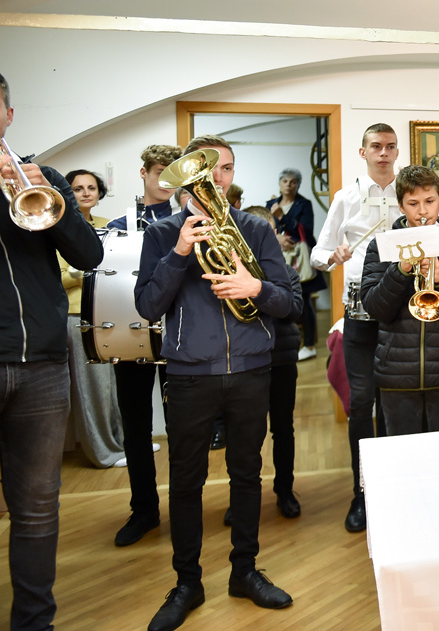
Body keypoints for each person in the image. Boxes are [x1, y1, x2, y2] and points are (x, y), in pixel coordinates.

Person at [135, 134, 295, 631]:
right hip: (189, 373)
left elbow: (289, 302)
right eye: (207, 170)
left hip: (250, 369)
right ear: (185, 179)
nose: (217, 179)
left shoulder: (255, 229)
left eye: (225, 168)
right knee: (186, 481)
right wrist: (180, 251)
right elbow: (147, 306)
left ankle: (244, 571)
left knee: (248, 474)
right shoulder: (162, 233)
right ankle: (187, 583)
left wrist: (255, 287)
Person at [0, 73, 105, 631]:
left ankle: (34, 621)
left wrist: (58, 201)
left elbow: (90, 256)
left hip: (41, 363)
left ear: (9, 116)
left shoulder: (42, 176)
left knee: (38, 507)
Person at [311, 123, 401, 532]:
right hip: (360, 311)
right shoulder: (345, 198)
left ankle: (397, 487)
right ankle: (361, 493)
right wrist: (334, 256)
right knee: (362, 403)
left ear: (396, 152)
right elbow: (318, 253)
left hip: (400, 310)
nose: (383, 153)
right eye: (376, 146)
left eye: (390, 147)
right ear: (363, 153)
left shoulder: (407, 193)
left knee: (397, 403)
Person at [360, 166, 439, 434]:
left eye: (429, 201)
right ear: (401, 205)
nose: (422, 211)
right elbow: (376, 308)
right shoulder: (382, 246)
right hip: (396, 373)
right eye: (413, 204)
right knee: (402, 454)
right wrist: (400, 270)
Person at [106, 144, 183, 547]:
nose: (166, 181)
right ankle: (144, 511)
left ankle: (185, 509)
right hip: (131, 333)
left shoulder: (186, 221)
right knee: (136, 427)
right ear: (144, 173)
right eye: (159, 173)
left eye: (173, 174)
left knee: (182, 429)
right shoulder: (118, 226)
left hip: (178, 337)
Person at [58, 169, 123, 468]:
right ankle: (104, 454)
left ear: (99, 193)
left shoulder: (109, 225)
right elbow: (56, 278)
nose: (86, 193)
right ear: (68, 193)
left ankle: (123, 444)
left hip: (109, 312)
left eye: (91, 187)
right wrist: (84, 273)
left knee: (114, 387)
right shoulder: (56, 226)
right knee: (92, 390)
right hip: (76, 315)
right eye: (78, 188)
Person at [244, 205, 305, 519]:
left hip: (280, 360)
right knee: (246, 434)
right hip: (245, 363)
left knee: (283, 429)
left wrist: (259, 291)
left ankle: (285, 490)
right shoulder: (234, 271)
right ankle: (243, 497)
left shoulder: (287, 272)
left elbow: (294, 310)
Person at [267, 168, 323, 361]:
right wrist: (278, 238)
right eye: (285, 181)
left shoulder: (304, 204)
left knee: (304, 301)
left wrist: (282, 217)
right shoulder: (271, 204)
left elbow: (306, 231)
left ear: (298, 185)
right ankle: (278, 343)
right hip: (277, 257)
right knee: (276, 298)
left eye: (293, 182)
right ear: (279, 183)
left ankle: (309, 345)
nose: (289, 185)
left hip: (299, 259)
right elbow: (265, 228)